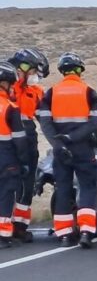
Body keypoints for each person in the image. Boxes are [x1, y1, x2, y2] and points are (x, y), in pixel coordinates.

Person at [37, 52, 97, 248]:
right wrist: (73, 137)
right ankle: (86, 232)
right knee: (88, 188)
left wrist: (59, 143)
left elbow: (45, 123)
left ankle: (65, 235)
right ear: (80, 70)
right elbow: (94, 123)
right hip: (83, 148)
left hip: (61, 150)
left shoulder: (51, 93)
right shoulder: (89, 91)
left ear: (62, 71)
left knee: (63, 189)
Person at [8, 48, 48, 242]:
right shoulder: (7, 88)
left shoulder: (37, 92)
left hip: (29, 142)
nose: (34, 77)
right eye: (33, 72)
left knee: (27, 185)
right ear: (22, 69)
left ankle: (20, 227)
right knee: (8, 186)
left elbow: (45, 120)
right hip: (7, 143)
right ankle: (6, 226)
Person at [0, 61, 32, 249]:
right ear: (5, 83)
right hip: (6, 157)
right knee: (6, 194)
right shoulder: (10, 107)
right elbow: (20, 139)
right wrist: (24, 161)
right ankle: (3, 235)